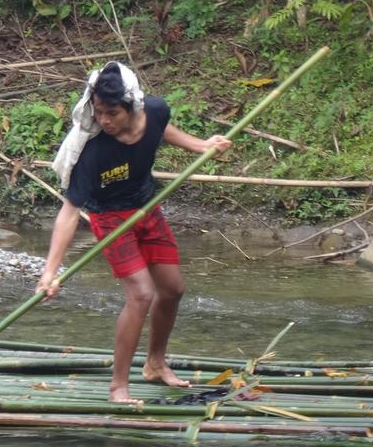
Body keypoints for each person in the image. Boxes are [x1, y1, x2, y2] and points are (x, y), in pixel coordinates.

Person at [36, 62, 231, 404]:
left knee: (172, 289)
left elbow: (160, 129)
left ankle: (155, 364)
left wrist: (200, 145)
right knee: (141, 294)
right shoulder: (92, 151)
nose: (105, 120)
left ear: (132, 107)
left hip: (145, 206)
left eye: (112, 112)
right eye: (98, 112)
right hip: (110, 217)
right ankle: (118, 387)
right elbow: (68, 213)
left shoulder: (153, 110)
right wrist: (51, 271)